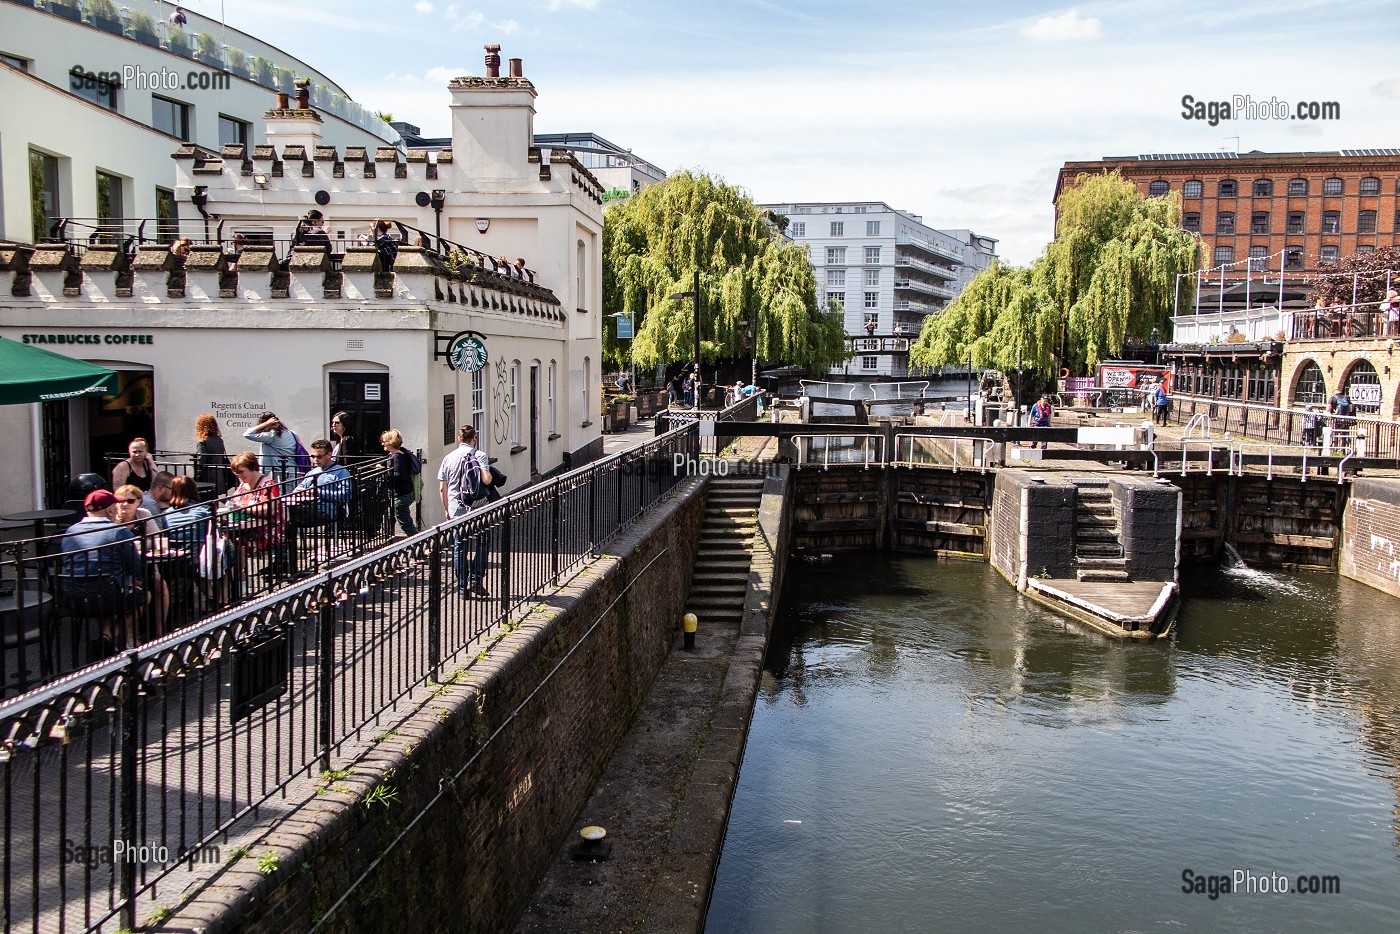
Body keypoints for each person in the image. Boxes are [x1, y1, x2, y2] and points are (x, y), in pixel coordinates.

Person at [59, 490, 148, 654]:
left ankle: (106, 638)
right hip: (108, 595)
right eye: (115, 505)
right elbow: (136, 568)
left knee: (108, 587)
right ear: (109, 510)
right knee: (140, 594)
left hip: (73, 598)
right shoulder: (119, 532)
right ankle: (122, 639)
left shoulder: (69, 532)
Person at [274, 440, 351, 579]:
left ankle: (287, 565)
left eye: (319, 456)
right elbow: (300, 488)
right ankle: (285, 563)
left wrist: (318, 493)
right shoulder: (312, 472)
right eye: (313, 456)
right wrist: (299, 492)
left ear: (329, 455)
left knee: (288, 521)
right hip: (304, 507)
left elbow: (346, 495)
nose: (316, 460)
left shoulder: (340, 472)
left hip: (325, 510)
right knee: (283, 519)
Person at [438, 425, 493, 598]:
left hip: (457, 507)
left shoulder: (448, 458)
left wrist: (447, 509)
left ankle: (462, 588)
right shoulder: (480, 455)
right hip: (477, 506)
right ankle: (475, 580)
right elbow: (486, 479)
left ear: (459, 439)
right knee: (482, 542)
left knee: (459, 546)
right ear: (474, 438)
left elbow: (442, 488)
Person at [116, 484, 170, 636]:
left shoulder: (143, 514)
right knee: (139, 590)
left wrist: (138, 547)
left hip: (146, 564)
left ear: (139, 501)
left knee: (160, 584)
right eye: (121, 500)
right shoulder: (113, 520)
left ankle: (159, 633)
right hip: (123, 568)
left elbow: (157, 538)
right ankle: (130, 636)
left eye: (130, 501)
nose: (125, 504)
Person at [243, 411, 301, 485]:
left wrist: (266, 423)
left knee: (283, 495)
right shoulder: (291, 433)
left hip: (283, 473)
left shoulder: (272, 435)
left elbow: (247, 434)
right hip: (293, 470)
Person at [381, 429, 420, 536]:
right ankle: (384, 539)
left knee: (404, 521)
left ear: (390, 442)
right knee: (388, 518)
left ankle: (418, 543)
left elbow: (398, 475)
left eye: (384, 441)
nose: (382, 443)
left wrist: (384, 472)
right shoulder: (402, 453)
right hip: (403, 493)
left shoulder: (396, 457)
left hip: (401, 495)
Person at [193, 413, 228, 493]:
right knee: (215, 498)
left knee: (207, 498)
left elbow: (201, 460)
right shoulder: (219, 440)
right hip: (219, 474)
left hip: (207, 476)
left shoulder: (202, 442)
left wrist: (197, 477)